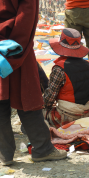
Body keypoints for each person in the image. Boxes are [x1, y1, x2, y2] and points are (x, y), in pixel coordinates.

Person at [0, 0, 67, 166]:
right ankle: (43, 149)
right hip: (15, 48)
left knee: (1, 99)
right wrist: (14, 54)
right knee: (27, 97)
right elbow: (26, 22)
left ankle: (5, 154)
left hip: (7, 46)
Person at [43, 28, 89, 129]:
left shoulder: (59, 69)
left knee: (36, 114)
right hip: (88, 114)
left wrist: (45, 105)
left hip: (67, 116)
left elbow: (49, 99)